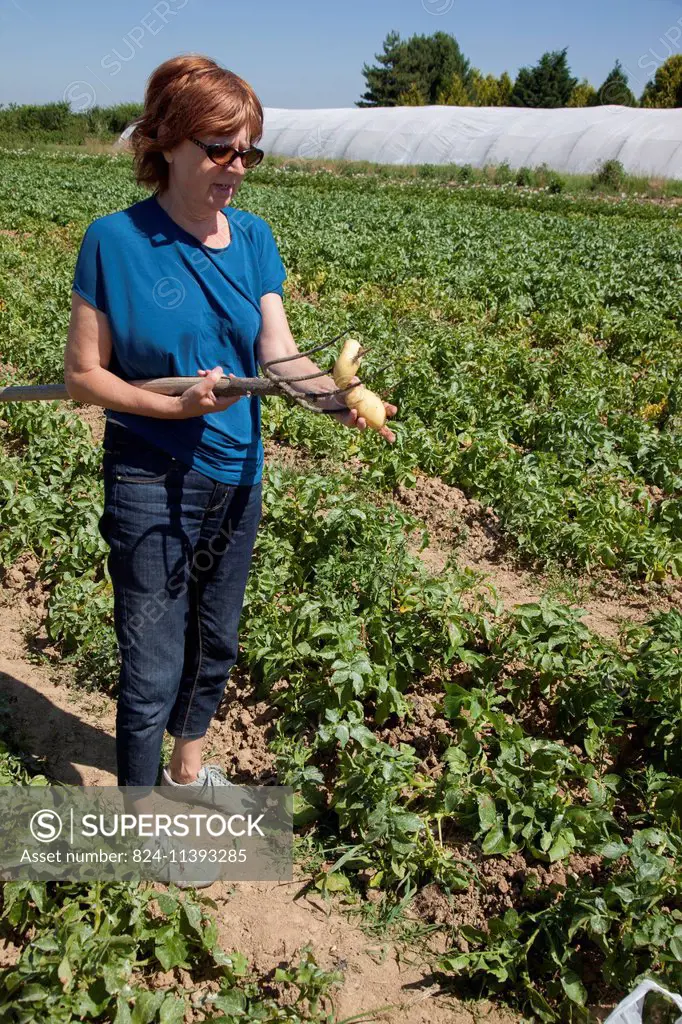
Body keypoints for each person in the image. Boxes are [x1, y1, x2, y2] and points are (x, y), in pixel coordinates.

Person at [63, 54, 397, 810]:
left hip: (237, 472)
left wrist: (335, 397)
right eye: (221, 148)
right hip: (150, 475)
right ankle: (137, 814)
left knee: (216, 641)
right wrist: (175, 409)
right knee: (152, 661)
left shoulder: (252, 239)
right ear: (169, 143)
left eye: (249, 150)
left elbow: (277, 354)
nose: (237, 166)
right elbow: (86, 376)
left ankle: (187, 774)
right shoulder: (115, 242)